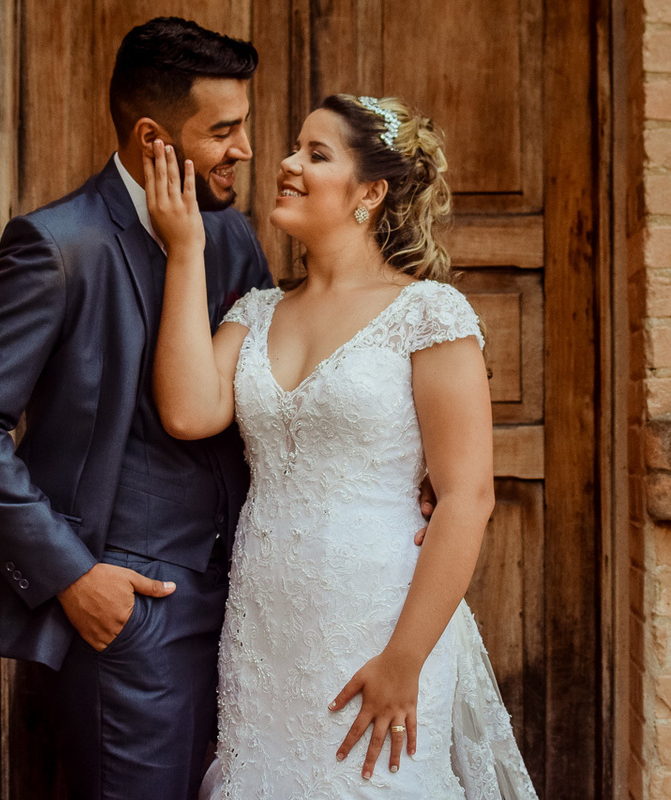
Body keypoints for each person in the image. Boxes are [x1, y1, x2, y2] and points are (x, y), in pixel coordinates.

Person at [0, 18, 273, 800]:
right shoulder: (57, 246)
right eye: (224, 131)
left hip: (248, 611)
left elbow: (275, 391)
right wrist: (72, 576)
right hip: (129, 617)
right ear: (154, 136)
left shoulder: (235, 240)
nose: (245, 149)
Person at [147, 94, 539, 797]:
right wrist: (186, 252)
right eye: (295, 148)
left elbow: (467, 496)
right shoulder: (257, 311)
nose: (287, 165)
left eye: (315, 154)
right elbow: (186, 410)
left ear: (371, 192)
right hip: (265, 629)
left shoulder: (428, 313)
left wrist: (405, 659)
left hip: (380, 622)